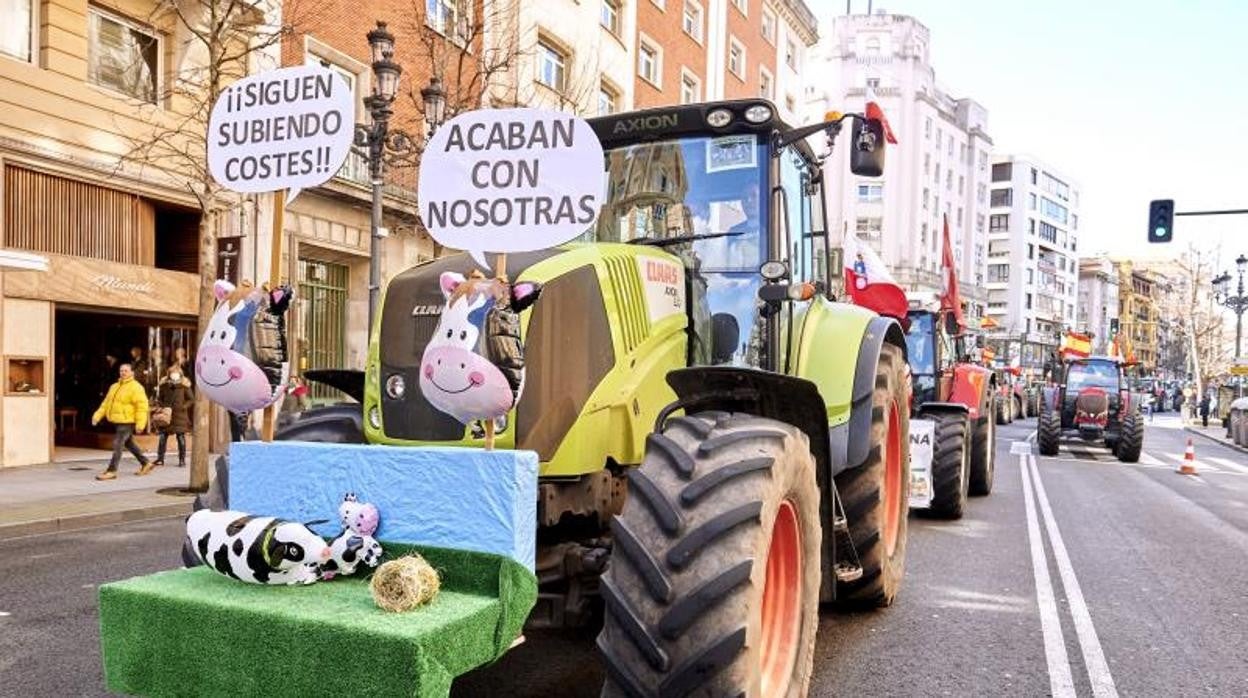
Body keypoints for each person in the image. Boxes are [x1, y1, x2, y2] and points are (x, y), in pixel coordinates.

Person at [92, 363, 152, 480]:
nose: (123, 373)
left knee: (118, 444)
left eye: (126, 371)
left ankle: (112, 470)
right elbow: (105, 404)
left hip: (127, 421)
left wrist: (140, 424)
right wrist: (97, 416)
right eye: (121, 371)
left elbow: (142, 407)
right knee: (129, 443)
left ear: (132, 373)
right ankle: (146, 463)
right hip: (118, 421)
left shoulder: (136, 387)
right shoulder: (114, 387)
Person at [153, 366, 193, 467]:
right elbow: (159, 399)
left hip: (180, 415)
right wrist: (162, 407)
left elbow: (191, 399)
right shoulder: (164, 385)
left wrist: (183, 407)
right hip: (167, 414)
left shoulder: (185, 386)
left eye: (176, 373)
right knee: (162, 437)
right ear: (169, 374)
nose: (174, 374)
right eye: (172, 373)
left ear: (180, 374)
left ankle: (182, 460)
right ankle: (160, 459)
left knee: (180, 437)